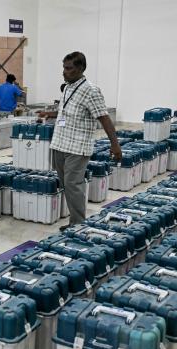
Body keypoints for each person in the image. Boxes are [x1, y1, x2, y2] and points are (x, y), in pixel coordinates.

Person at [39, 51, 122, 231]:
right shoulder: (68, 86)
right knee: (66, 184)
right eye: (63, 68)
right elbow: (65, 110)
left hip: (77, 147)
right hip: (60, 144)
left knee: (73, 185)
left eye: (68, 68)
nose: (64, 72)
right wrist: (50, 114)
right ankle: (73, 221)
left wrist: (115, 145)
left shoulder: (91, 90)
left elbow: (104, 118)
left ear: (81, 68)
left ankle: (78, 225)